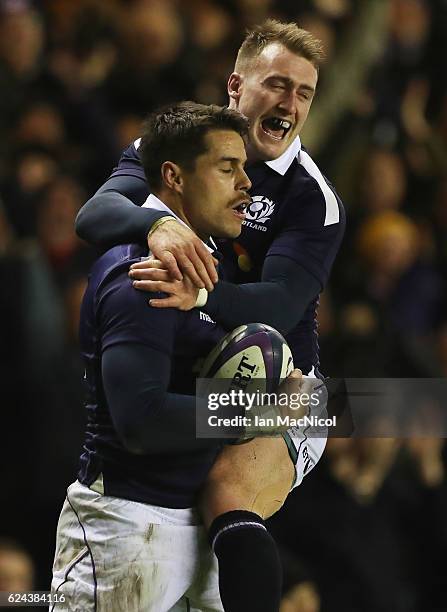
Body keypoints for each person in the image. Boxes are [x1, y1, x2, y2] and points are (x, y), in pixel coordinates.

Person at [75, 19, 346, 610]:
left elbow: (277, 305)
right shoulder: (185, 144)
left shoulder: (311, 199)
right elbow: (94, 214)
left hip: (290, 386)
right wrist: (156, 221)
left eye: (304, 93)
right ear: (235, 85)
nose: (289, 103)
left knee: (225, 488)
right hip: (209, 367)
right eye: (277, 84)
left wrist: (201, 296)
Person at [52, 101, 289, 611]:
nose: (246, 183)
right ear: (173, 177)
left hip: (193, 528)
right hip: (125, 527)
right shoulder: (143, 272)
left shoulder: (207, 266)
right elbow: (143, 420)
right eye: (228, 168)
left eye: (245, 168)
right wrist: (259, 413)